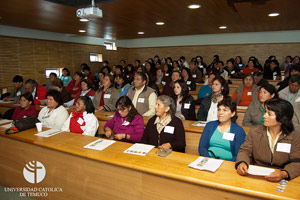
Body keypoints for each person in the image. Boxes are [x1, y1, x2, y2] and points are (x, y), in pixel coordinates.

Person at [236, 98, 300, 182]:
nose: (264, 116)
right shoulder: (255, 132)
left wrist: (284, 173)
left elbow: (297, 162)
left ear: (282, 119)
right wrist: (242, 162)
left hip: (282, 175)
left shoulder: (294, 136)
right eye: (265, 112)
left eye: (269, 114)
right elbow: (244, 151)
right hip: (257, 174)